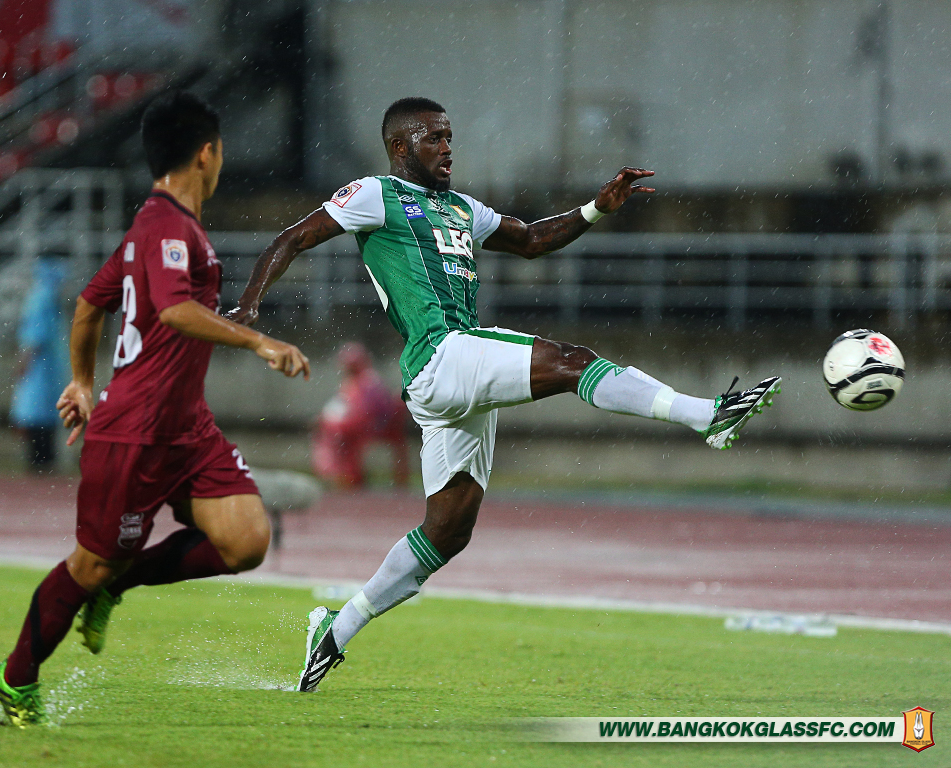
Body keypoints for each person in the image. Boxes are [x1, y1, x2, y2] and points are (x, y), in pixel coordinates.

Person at [227, 97, 781, 693]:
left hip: (453, 381)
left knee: (448, 533)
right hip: (442, 355)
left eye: (449, 136)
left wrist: (597, 207)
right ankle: (707, 416)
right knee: (573, 362)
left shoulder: (463, 208)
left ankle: (335, 631)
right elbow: (292, 238)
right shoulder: (373, 194)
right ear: (400, 147)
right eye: (434, 138)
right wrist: (250, 305)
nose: (447, 148)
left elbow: (532, 240)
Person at [0, 91, 311, 727]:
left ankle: (118, 583)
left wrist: (82, 382)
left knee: (246, 540)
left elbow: (89, 303)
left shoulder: (159, 227)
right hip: (133, 431)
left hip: (186, 428)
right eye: (221, 151)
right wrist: (258, 341)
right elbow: (173, 310)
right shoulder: (165, 226)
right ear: (207, 153)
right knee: (89, 562)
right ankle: (16, 677)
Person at [311, 342, 408, 488]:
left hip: (374, 425)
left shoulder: (367, 381)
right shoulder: (355, 382)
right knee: (329, 428)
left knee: (335, 432)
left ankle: (347, 476)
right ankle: (341, 475)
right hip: (366, 423)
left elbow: (364, 412)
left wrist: (331, 420)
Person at [10, 258, 70, 471]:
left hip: (45, 367)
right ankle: (42, 462)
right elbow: (35, 336)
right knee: (39, 412)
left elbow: (34, 335)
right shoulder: (44, 298)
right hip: (42, 367)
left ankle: (41, 461)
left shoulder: (43, 297)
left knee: (38, 411)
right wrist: (24, 361)